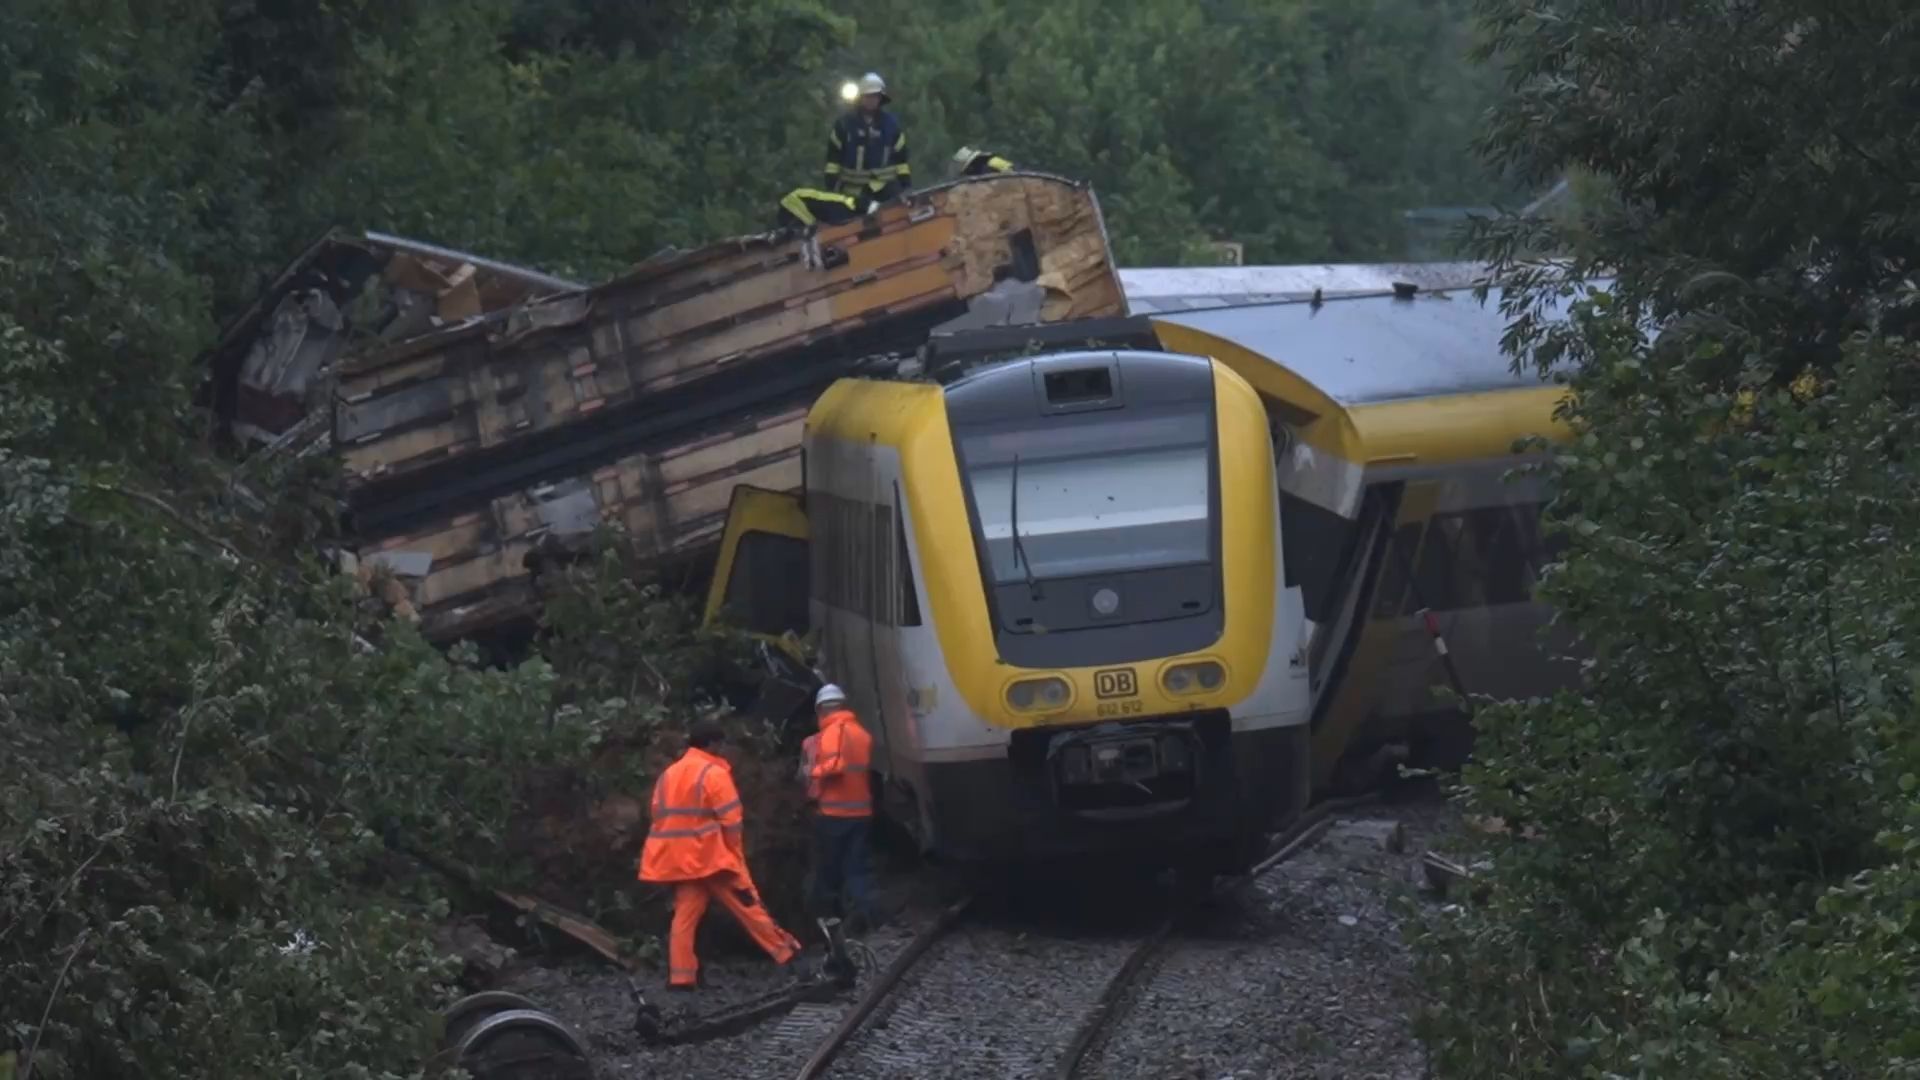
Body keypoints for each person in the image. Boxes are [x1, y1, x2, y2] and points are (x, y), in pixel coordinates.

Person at [638, 717, 802, 990]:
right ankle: (786, 955)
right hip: (711, 858)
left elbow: (658, 814)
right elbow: (731, 819)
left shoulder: (669, 775)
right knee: (748, 906)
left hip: (680, 861)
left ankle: (681, 977)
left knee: (684, 917)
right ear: (713, 744)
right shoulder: (713, 773)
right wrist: (733, 853)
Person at [801, 684, 879, 931]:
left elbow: (835, 766)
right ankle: (865, 916)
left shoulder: (832, 733)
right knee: (857, 867)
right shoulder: (861, 733)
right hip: (861, 812)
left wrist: (811, 771)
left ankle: (828, 921)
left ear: (821, 710)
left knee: (830, 868)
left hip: (834, 814)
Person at [825, 72, 910, 204]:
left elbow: (901, 162)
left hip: (886, 190)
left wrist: (906, 187)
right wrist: (832, 189)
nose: (871, 100)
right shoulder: (844, 125)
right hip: (852, 192)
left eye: (875, 96)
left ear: (881, 98)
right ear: (860, 97)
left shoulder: (891, 125)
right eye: (868, 96)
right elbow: (833, 162)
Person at [773, 187, 872, 232]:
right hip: (834, 209)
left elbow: (809, 220)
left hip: (832, 211)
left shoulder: (793, 199)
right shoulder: (795, 196)